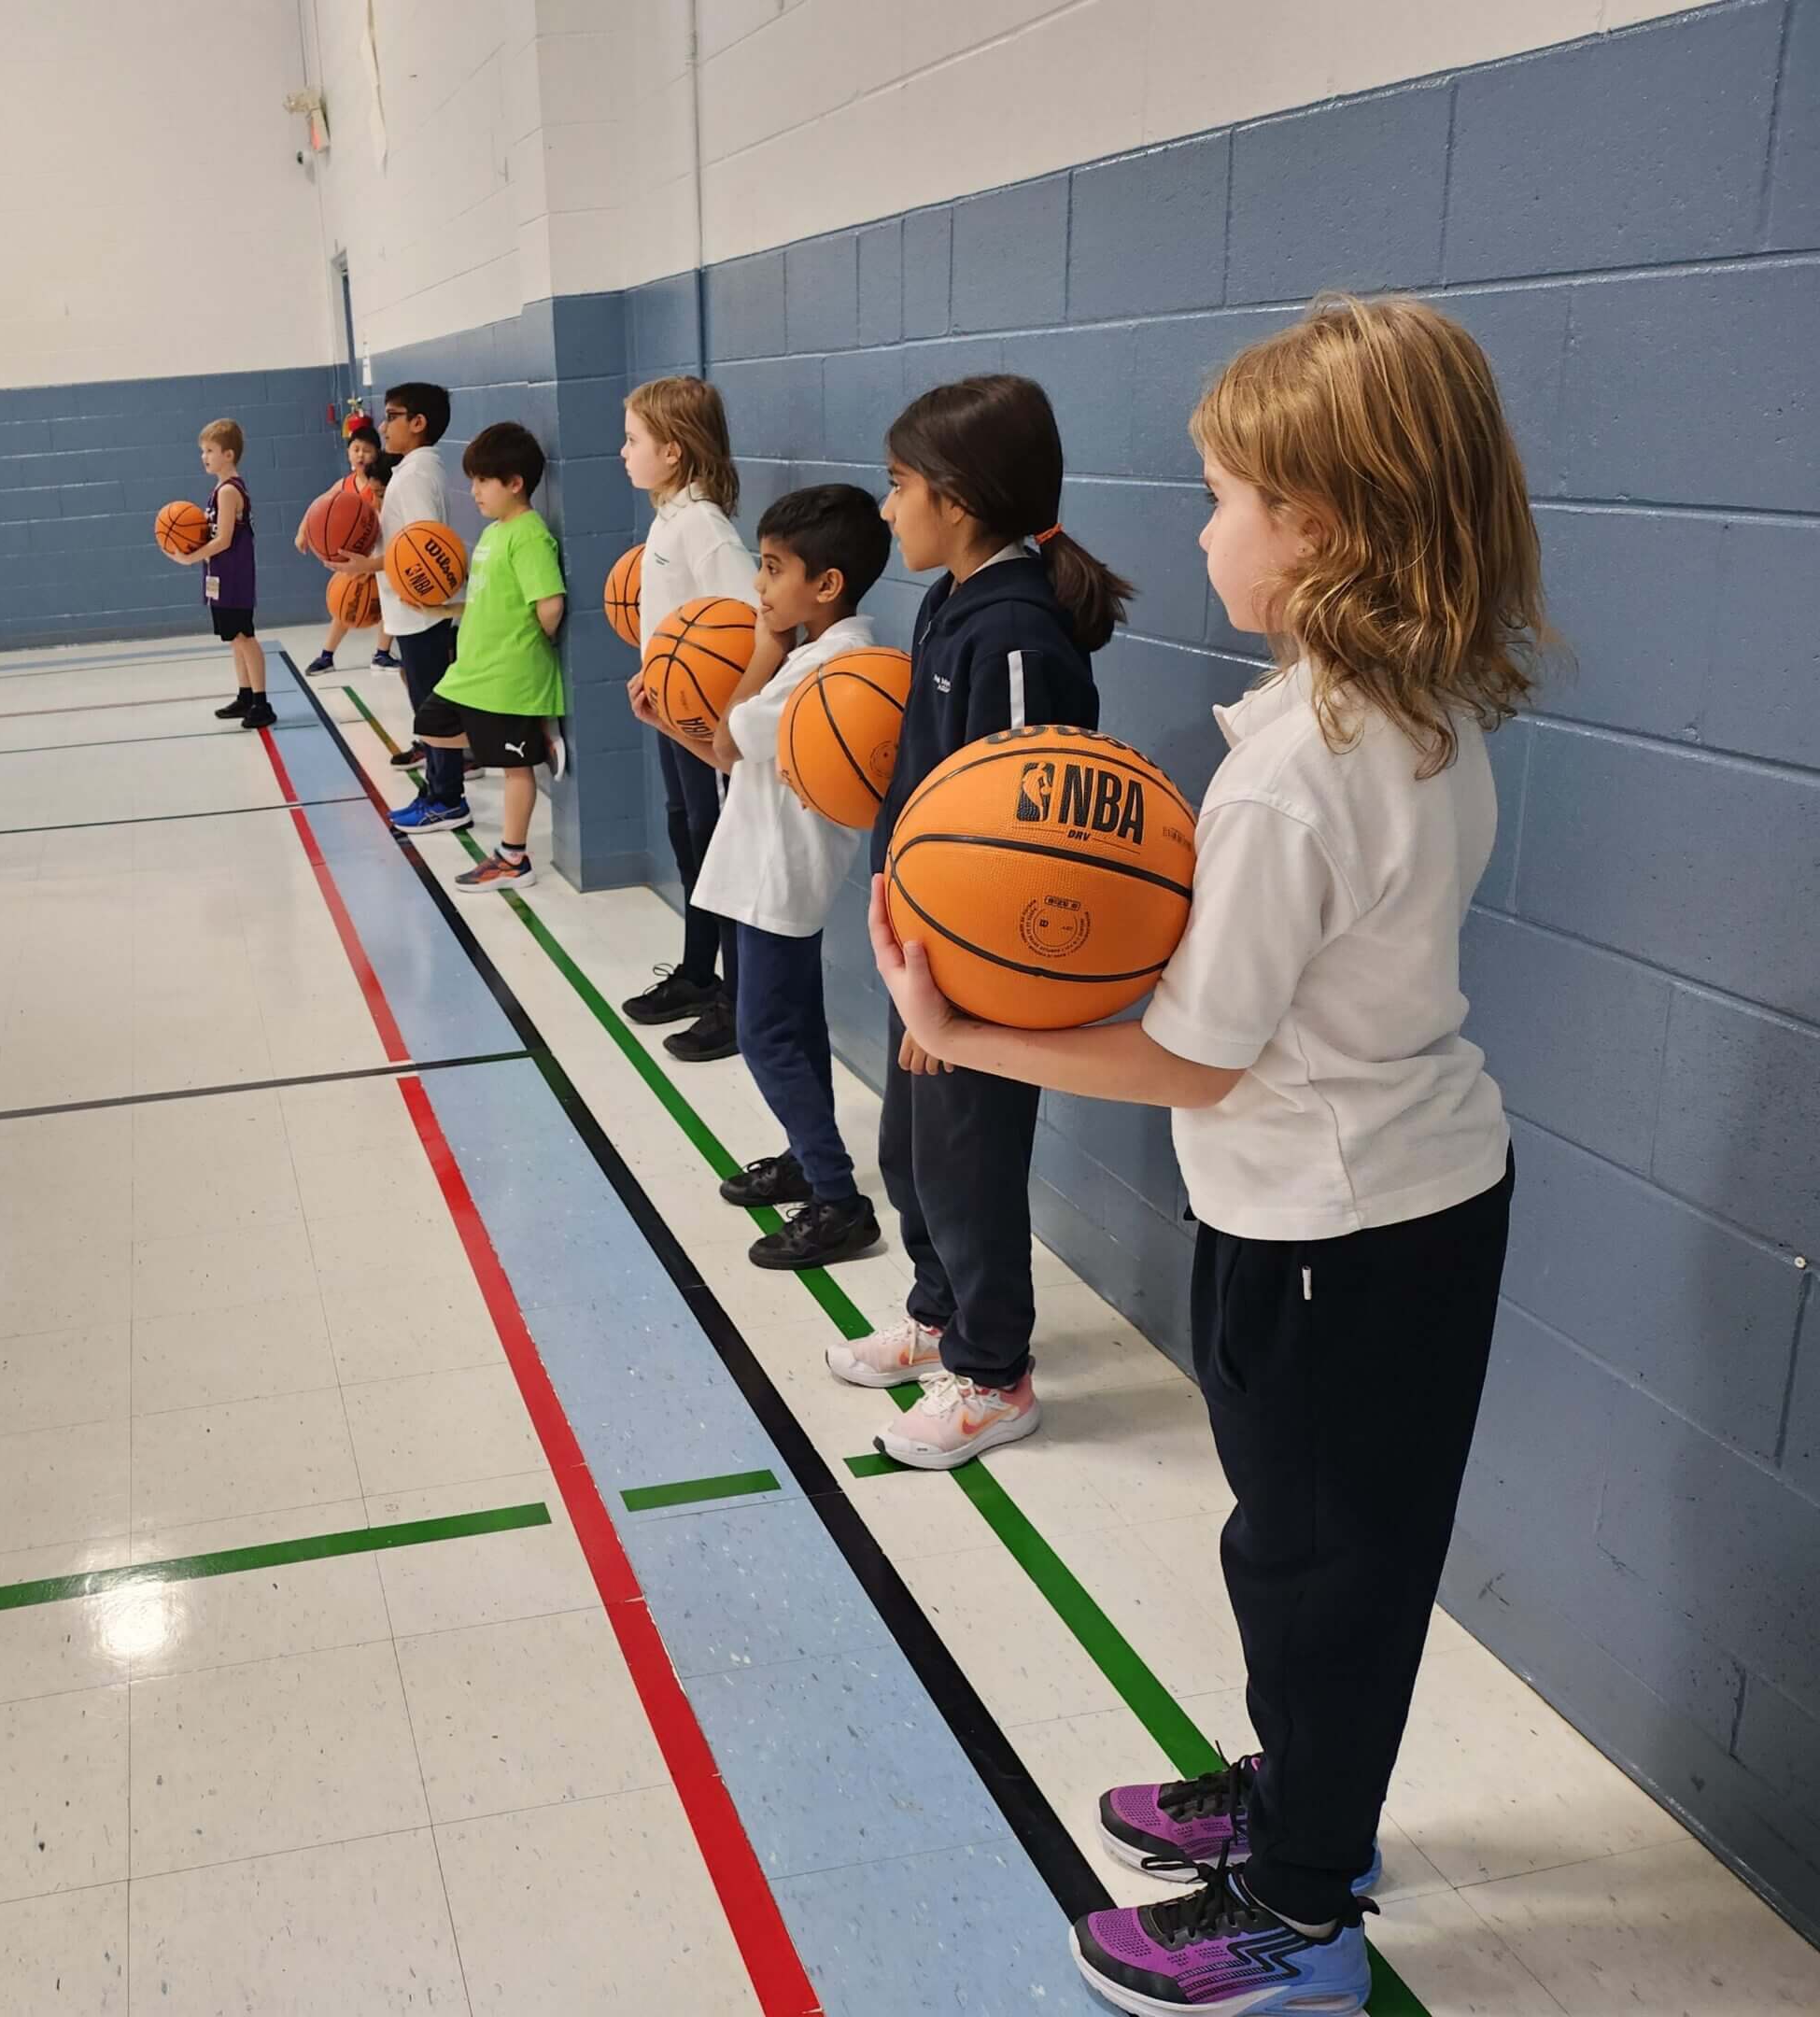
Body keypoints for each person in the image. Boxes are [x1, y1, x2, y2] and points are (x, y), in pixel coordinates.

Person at [867, 297, 1540, 2015]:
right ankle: (1303, 1794)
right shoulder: (1419, 703)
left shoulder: (1293, 778)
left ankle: (1300, 1912)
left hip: (1332, 1222)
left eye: (1226, 496)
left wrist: (956, 1021)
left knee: (1317, 1564)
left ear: (1321, 526)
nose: (1200, 526)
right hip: (1395, 1197)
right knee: (1325, 1548)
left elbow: (1187, 1053)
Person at [825, 375, 1132, 1466]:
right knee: (911, 1154)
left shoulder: (1012, 635)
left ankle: (996, 1375)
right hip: (929, 959)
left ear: (956, 498)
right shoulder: (950, 597)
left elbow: (1010, 848)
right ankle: (939, 1314)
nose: (886, 505)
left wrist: (953, 988)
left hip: (979, 972)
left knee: (971, 1167)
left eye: (899, 484)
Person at [633, 483, 891, 1269]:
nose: (758, 586)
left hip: (777, 881)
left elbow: (730, 736)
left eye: (773, 569)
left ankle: (839, 1201)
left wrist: (760, 651)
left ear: (826, 585)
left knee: (767, 1037)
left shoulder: (829, 666)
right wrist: (662, 716)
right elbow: (722, 745)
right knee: (796, 1029)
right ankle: (803, 1158)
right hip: (759, 872)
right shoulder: (825, 652)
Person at [618, 376, 757, 1060]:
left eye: (634, 439)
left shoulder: (705, 525)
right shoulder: (669, 515)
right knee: (688, 838)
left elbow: (749, 627)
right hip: (672, 718)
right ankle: (701, 973)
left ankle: (736, 1000)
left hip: (708, 728)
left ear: (673, 451)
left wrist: (720, 719)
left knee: (717, 851)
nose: (623, 452)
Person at [415, 421, 565, 890]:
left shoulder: (529, 534)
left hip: (509, 675)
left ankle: (513, 858)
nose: (474, 490)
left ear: (514, 483)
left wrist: (528, 645)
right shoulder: (496, 532)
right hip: (474, 673)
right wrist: (450, 607)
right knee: (429, 726)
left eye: (483, 481)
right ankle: (532, 736)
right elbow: (492, 599)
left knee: (514, 769)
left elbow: (550, 605)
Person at [335, 383, 470, 832]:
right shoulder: (414, 470)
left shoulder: (413, 477)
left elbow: (423, 553)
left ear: (418, 423)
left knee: (433, 710)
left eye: (392, 415)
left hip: (422, 613)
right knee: (428, 707)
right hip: (413, 612)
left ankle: (448, 799)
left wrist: (368, 565)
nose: (383, 425)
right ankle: (437, 786)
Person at [180, 417, 269, 729]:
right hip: (221, 575)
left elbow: (225, 539)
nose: (204, 456)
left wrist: (191, 557)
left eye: (210, 450)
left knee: (245, 637)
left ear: (228, 454)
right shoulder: (220, 488)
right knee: (234, 639)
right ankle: (245, 696)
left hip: (234, 576)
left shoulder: (229, 491)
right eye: (202, 451)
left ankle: (261, 702)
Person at [300, 419, 399, 673]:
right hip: (355, 556)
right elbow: (317, 507)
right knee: (344, 602)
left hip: (381, 551)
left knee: (387, 603)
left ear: (377, 453)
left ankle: (382, 653)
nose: (361, 455)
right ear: (348, 453)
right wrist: (303, 533)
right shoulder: (343, 485)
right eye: (356, 449)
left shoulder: (381, 483)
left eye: (367, 450)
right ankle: (327, 655)